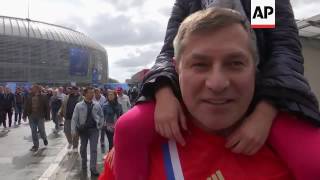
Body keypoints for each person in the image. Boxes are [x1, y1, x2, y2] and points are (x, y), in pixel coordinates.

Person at [100, 8, 320, 180]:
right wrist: (163, 91)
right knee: (128, 126)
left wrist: (266, 108)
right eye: (201, 65)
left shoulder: (261, 3)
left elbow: (281, 51)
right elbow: (170, 50)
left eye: (234, 62)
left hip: (268, 92)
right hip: (177, 85)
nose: (216, 83)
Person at [71, 86, 104, 177]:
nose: (91, 94)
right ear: (84, 94)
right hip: (83, 130)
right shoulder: (79, 105)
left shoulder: (96, 104)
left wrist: (100, 125)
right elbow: (74, 118)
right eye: (89, 92)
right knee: (83, 148)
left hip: (94, 130)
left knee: (94, 149)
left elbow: (101, 116)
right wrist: (74, 130)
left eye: (92, 92)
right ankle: (84, 162)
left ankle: (93, 167)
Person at [23, 84, 50, 152]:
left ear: (38, 89)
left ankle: (44, 138)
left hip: (40, 116)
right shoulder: (29, 96)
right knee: (33, 131)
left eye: (33, 88)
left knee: (41, 130)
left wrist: (47, 117)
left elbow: (47, 107)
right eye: (32, 88)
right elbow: (26, 106)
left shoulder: (44, 96)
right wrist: (24, 116)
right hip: (31, 116)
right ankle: (35, 145)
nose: (32, 89)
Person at [59, 86, 82, 153]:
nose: (74, 91)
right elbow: (63, 105)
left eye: (75, 89)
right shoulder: (67, 97)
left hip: (77, 119)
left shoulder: (81, 98)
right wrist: (60, 112)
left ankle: (75, 146)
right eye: (72, 90)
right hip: (68, 117)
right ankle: (70, 142)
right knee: (66, 131)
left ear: (78, 90)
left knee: (75, 133)